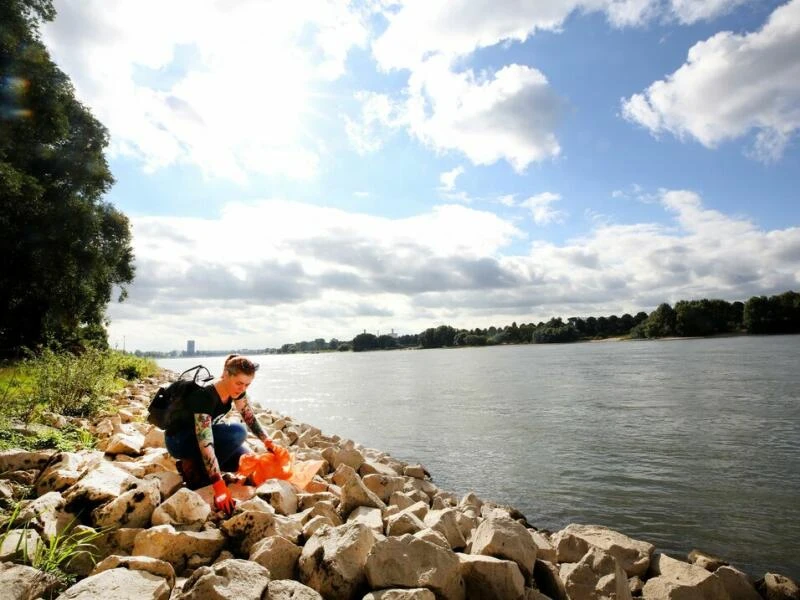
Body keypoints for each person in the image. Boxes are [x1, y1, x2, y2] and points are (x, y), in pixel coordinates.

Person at [164, 354, 279, 515]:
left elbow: (250, 418)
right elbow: (205, 443)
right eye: (239, 383)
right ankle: (193, 469)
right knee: (238, 432)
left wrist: (268, 442)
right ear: (225, 374)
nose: (242, 388)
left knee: (246, 460)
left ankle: (202, 467)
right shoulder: (205, 396)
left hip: (201, 435)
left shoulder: (236, 392)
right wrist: (218, 485)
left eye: (247, 384)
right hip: (179, 440)